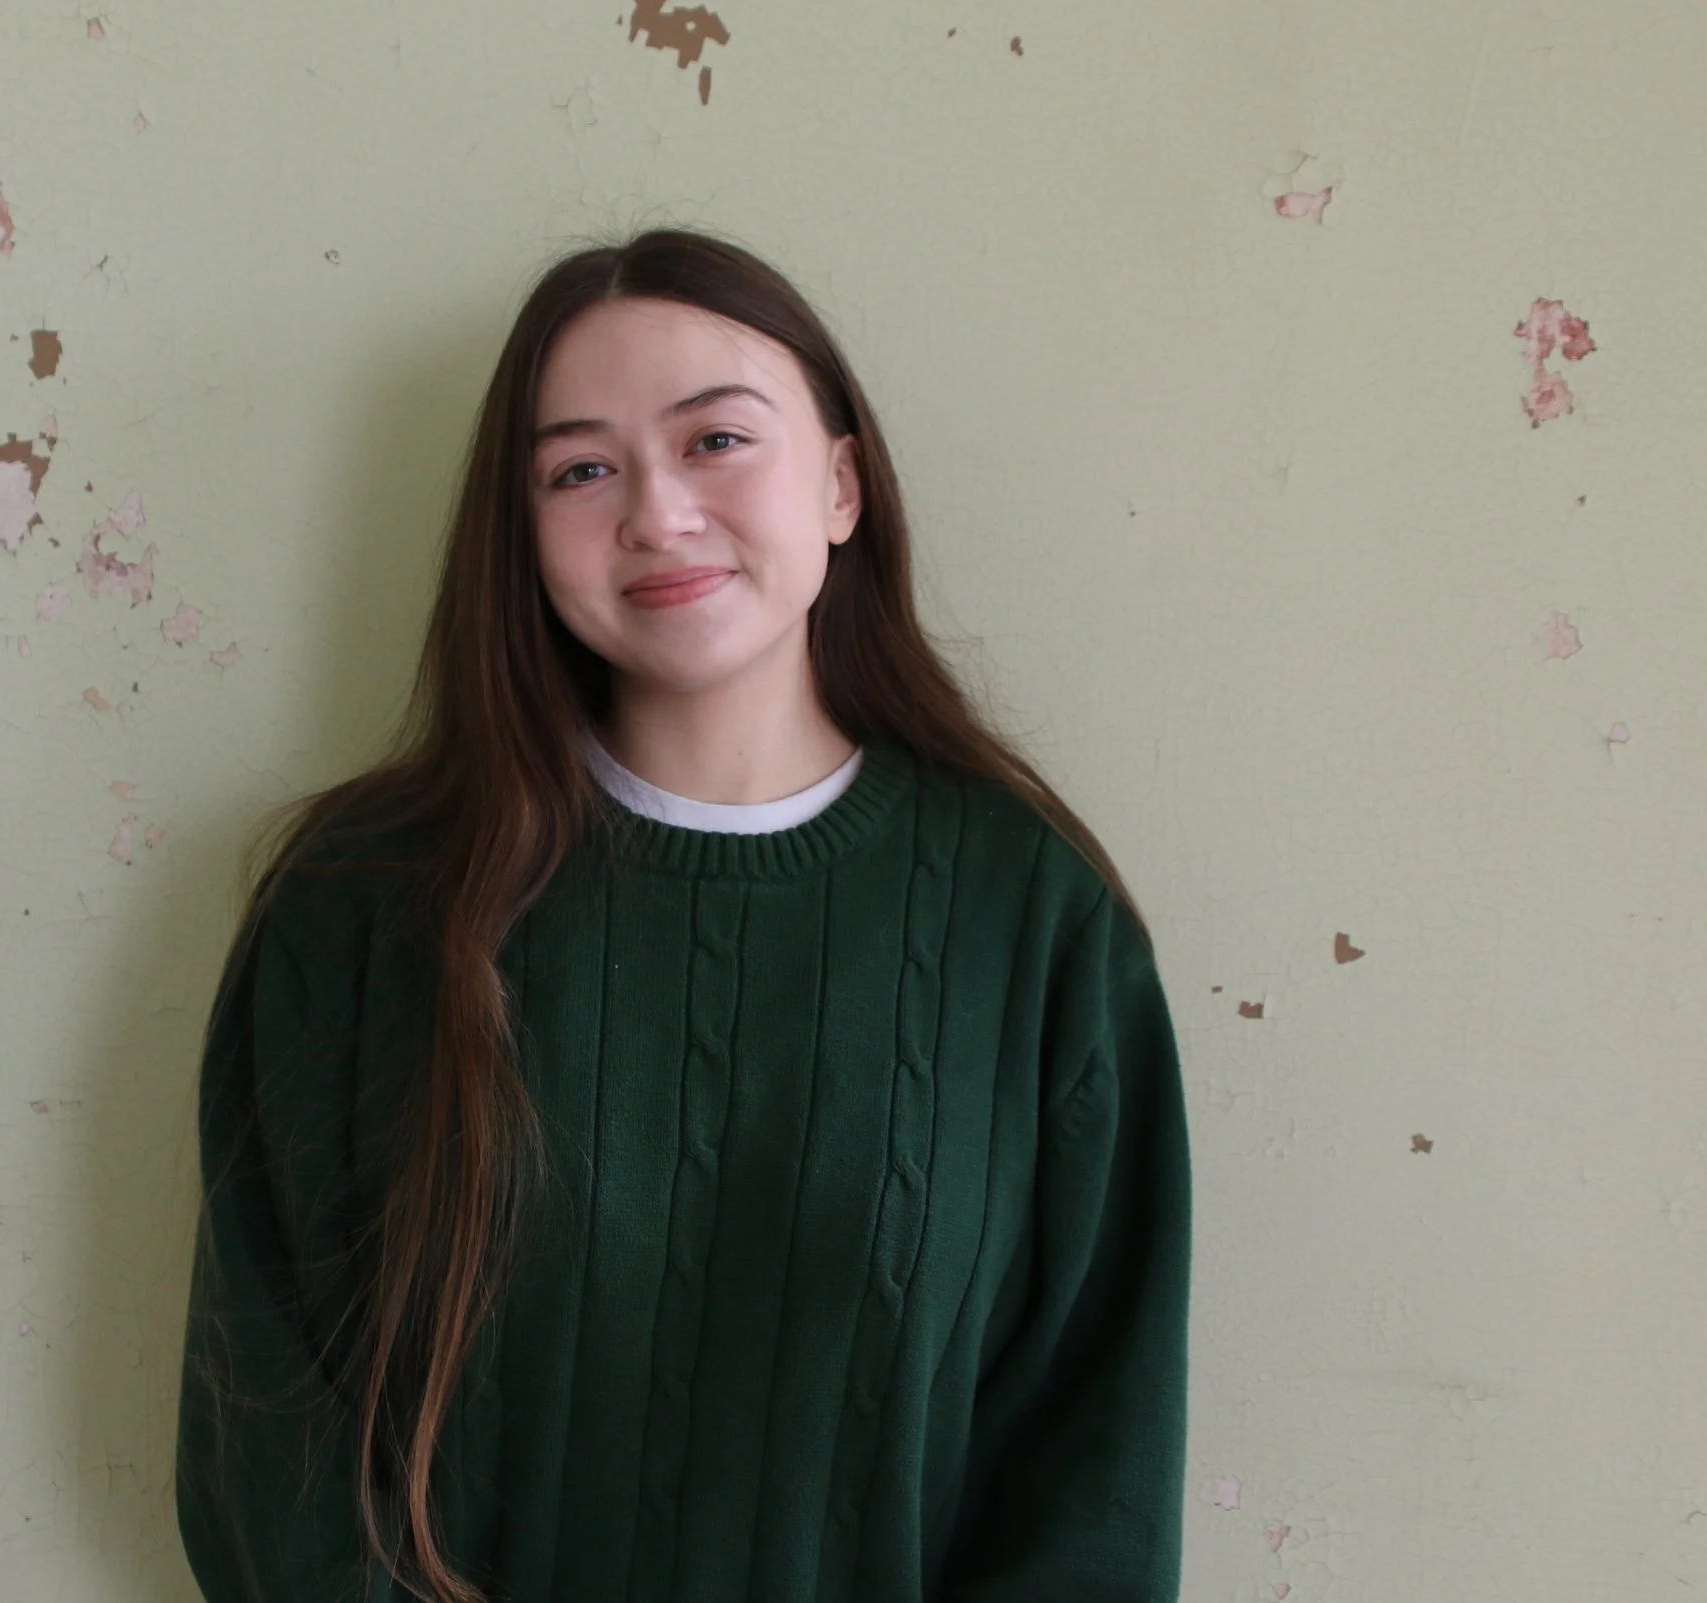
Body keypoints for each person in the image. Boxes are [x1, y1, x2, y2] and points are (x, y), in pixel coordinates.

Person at [174, 227, 1192, 1602]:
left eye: (716, 440)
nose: (656, 514)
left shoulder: (1037, 922)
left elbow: (1098, 1472)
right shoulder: (360, 904)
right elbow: (267, 1439)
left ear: (842, 484)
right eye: (581, 470)